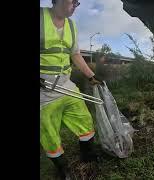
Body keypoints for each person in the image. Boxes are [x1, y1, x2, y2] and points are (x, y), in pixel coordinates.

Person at [40, 0, 102, 179]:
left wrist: (91, 75)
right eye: (72, 1)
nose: (76, 5)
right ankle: (62, 169)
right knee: (48, 133)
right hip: (43, 92)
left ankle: (87, 155)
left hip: (66, 84)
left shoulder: (72, 26)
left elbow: (75, 54)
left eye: (78, 2)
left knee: (84, 118)